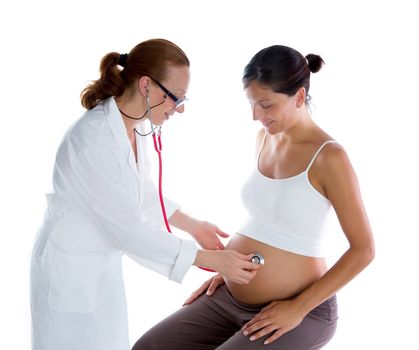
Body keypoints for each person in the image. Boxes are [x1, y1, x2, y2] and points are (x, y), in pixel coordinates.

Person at [132, 44, 375, 350]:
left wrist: (297, 308)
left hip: (298, 310)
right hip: (228, 297)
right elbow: (270, 216)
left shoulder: (330, 157)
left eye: (266, 105)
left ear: (299, 97)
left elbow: (364, 250)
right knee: (149, 348)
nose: (255, 115)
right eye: (251, 103)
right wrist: (230, 272)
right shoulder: (263, 138)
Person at [29, 38, 262, 350]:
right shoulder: (95, 141)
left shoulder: (132, 127)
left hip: (97, 269)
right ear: (146, 86)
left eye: (183, 100)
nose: (178, 109)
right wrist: (211, 260)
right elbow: (130, 230)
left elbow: (140, 193)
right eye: (174, 98)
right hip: (70, 272)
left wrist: (193, 225)